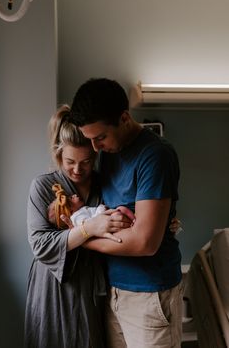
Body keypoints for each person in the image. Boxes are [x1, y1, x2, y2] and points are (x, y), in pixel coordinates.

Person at [67, 78, 183, 348]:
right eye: (90, 139)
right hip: (113, 290)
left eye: (100, 138)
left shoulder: (155, 155)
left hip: (150, 293)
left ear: (124, 118)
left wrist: (83, 238)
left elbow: (144, 243)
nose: (95, 148)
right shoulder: (109, 151)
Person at [24, 105, 132, 348]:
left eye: (86, 162)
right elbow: (40, 245)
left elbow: (122, 218)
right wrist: (89, 228)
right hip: (54, 287)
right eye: (70, 161)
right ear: (58, 154)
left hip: (93, 286)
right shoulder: (42, 187)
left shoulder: (104, 184)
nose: (78, 169)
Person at [48, 183, 136, 230]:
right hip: (105, 223)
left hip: (106, 218)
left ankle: (133, 220)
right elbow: (91, 224)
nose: (74, 195)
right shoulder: (77, 218)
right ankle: (133, 223)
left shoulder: (80, 211)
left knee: (121, 209)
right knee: (120, 212)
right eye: (72, 198)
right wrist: (100, 210)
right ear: (70, 211)